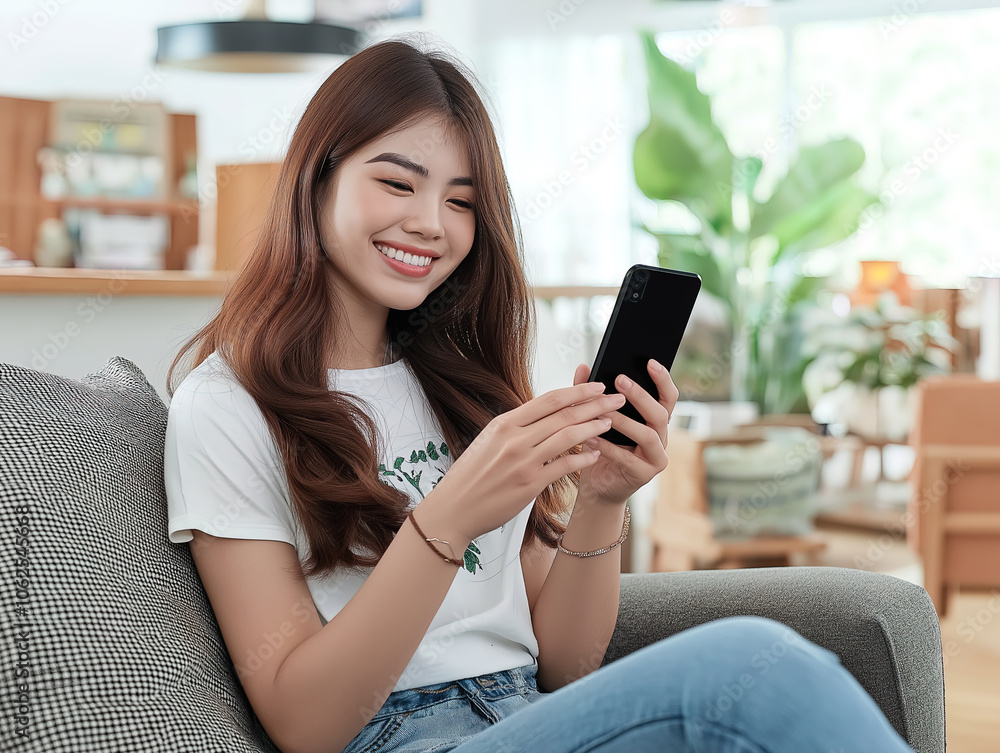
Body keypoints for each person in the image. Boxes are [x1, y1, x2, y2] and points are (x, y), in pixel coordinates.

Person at [163, 37, 916, 753]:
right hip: (405, 736)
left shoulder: (461, 384)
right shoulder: (227, 407)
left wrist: (602, 499)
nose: (429, 223)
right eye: (396, 182)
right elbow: (305, 722)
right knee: (756, 663)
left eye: (461, 201)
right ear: (314, 179)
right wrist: (448, 517)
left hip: (533, 716)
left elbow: (565, 669)